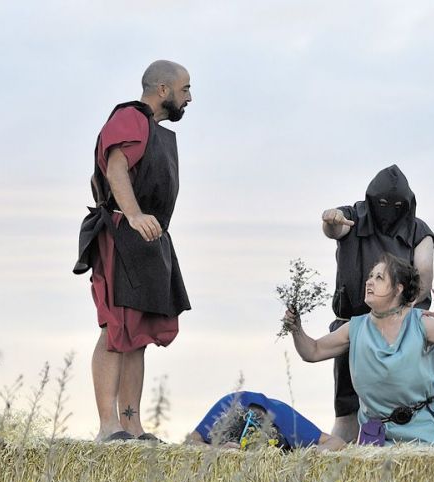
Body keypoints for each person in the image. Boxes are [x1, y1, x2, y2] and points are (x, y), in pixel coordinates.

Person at [73, 60, 193, 442]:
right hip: (122, 234)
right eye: (185, 89)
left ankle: (132, 425)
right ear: (163, 90)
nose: (189, 97)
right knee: (116, 328)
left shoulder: (158, 133)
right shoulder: (130, 117)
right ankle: (108, 426)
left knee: (138, 335)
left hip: (150, 241)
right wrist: (135, 214)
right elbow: (116, 166)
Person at [287, 253, 434, 447]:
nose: (369, 282)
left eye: (379, 278)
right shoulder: (355, 328)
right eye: (370, 276)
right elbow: (312, 351)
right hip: (380, 438)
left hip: (430, 433)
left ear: (398, 289)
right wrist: (296, 329)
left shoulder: (421, 322)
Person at [321, 164, 434, 442]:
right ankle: (342, 464)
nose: (388, 209)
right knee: (348, 410)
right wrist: (331, 220)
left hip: (410, 326)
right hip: (354, 326)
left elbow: (424, 270)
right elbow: (334, 229)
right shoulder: (353, 216)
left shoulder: (420, 231)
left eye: (396, 205)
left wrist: (402, 313)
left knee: (431, 400)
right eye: (381, 204)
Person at [185, 391, 346, 451]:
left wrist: (312, 454)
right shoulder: (227, 406)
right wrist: (218, 450)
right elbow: (190, 443)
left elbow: (337, 442)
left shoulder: (285, 418)